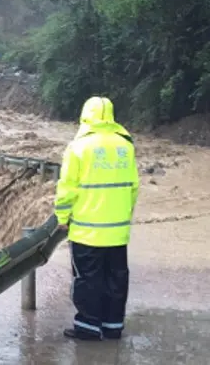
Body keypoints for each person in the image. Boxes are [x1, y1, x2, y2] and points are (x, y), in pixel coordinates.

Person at [54, 96, 139, 341]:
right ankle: (113, 327)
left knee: (88, 280)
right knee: (116, 279)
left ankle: (88, 328)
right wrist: (124, 214)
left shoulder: (78, 147)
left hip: (86, 231)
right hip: (117, 232)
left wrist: (62, 216)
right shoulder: (126, 145)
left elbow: (66, 188)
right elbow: (133, 187)